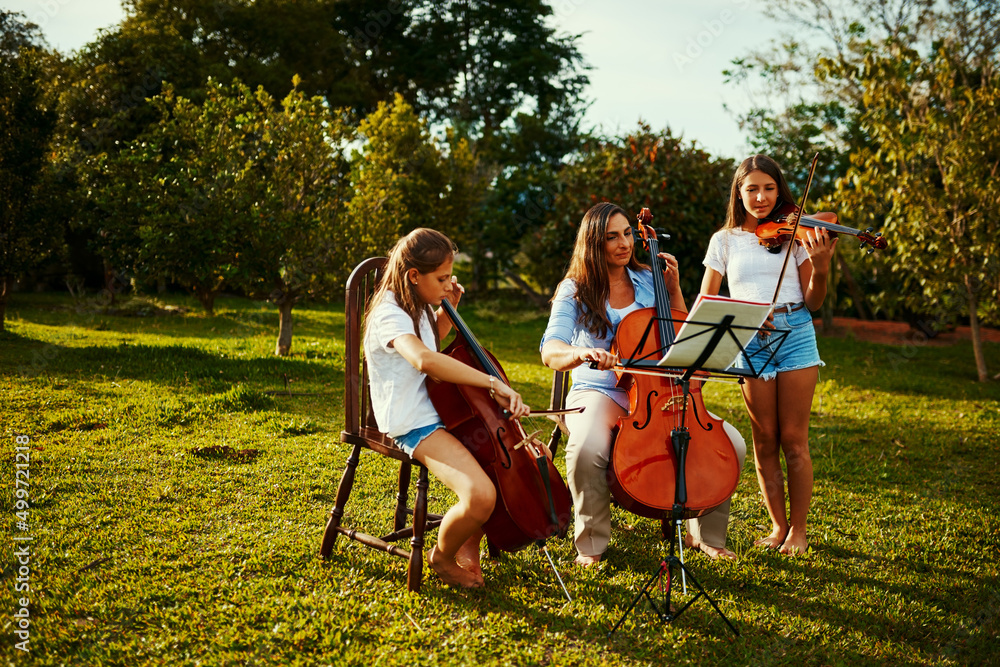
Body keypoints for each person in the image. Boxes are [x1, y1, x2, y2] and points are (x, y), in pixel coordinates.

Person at [540, 202, 748, 566]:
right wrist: (580, 354)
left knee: (731, 444)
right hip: (600, 390)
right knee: (588, 449)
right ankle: (592, 543)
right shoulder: (574, 289)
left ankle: (708, 536)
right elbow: (550, 349)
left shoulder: (648, 279)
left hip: (658, 391)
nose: (624, 243)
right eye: (611, 237)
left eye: (627, 234)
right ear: (592, 243)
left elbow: (680, 334)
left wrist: (674, 289)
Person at [363, 228, 531, 588]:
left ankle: (470, 541)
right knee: (481, 494)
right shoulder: (388, 313)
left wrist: (447, 311)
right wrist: (490, 382)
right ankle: (440, 557)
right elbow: (424, 359)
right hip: (413, 421)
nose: (446, 284)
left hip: (440, 409)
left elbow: (431, 341)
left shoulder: (418, 304)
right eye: (440, 278)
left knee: (498, 465)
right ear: (413, 275)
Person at [700, 154, 837, 556]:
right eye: (752, 189)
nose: (761, 197)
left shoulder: (797, 235)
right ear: (738, 193)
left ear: (780, 191)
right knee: (764, 440)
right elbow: (708, 298)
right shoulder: (723, 240)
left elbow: (813, 301)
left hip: (794, 333)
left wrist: (822, 266)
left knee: (794, 440)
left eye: (769, 188)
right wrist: (743, 318)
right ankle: (778, 526)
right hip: (747, 337)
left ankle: (799, 530)